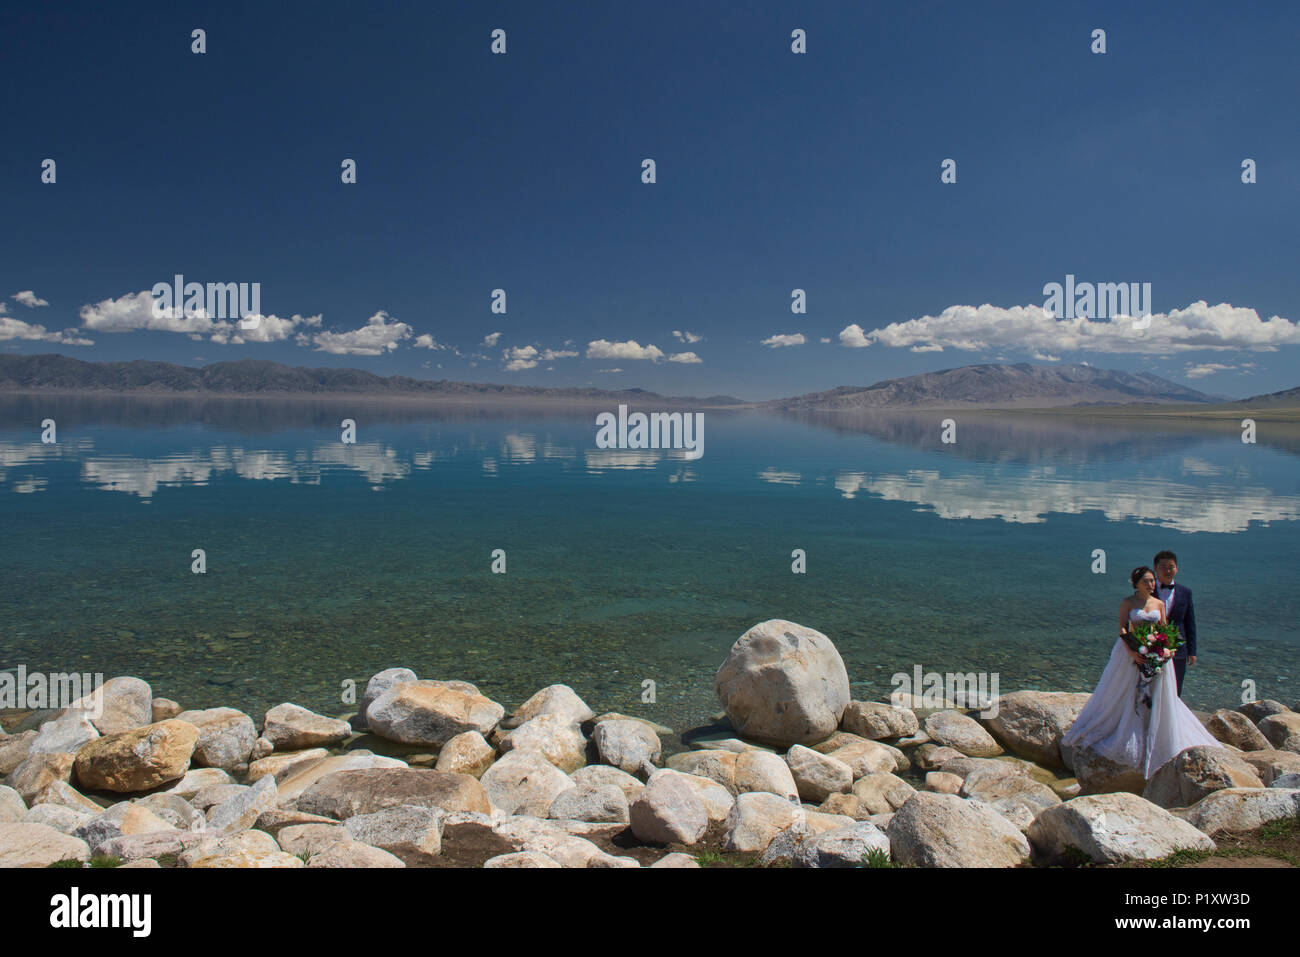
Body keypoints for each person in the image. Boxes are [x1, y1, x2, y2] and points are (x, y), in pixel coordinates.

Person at [1060, 566, 1219, 778]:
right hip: (1131, 652)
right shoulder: (1128, 603)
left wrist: (1166, 649)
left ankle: (1155, 733)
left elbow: (1163, 629)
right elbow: (1122, 629)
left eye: (1152, 581)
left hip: (1156, 653)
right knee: (1126, 690)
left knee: (1155, 692)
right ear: (1135, 583)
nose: (1151, 585)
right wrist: (1133, 651)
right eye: (1146, 581)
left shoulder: (1159, 604)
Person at [1153, 550, 1196, 696]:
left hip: (1179, 649)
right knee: (1152, 686)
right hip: (1152, 646)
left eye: (1171, 566)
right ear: (1155, 568)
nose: (1167, 570)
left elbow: (1190, 623)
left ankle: (1173, 717)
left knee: (1176, 687)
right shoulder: (1147, 590)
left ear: (1177, 568)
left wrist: (1192, 651)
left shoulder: (1186, 592)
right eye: (1163, 566)